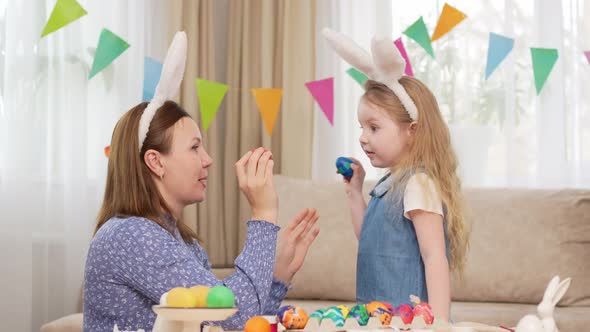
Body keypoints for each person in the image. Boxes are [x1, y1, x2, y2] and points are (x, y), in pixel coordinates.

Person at [83, 32, 320, 332]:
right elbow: (234, 317)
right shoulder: (131, 236)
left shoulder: (184, 243)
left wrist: (277, 279)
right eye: (194, 147)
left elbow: (231, 327)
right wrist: (263, 216)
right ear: (156, 162)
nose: (207, 159)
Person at [324, 28, 468, 321]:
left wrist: (438, 324)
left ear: (411, 131)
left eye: (374, 128)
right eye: (361, 127)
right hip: (376, 317)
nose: (363, 138)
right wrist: (355, 191)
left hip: (409, 321)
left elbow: (434, 258)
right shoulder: (390, 182)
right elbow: (368, 238)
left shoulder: (418, 183)